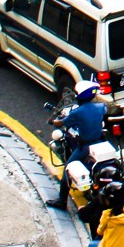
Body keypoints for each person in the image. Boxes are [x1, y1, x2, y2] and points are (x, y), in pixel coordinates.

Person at [47, 80, 110, 209]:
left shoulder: (77, 113)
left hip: (85, 147)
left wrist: (54, 121)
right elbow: (105, 112)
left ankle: (62, 200)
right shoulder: (101, 107)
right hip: (100, 143)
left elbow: (63, 123)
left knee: (68, 168)